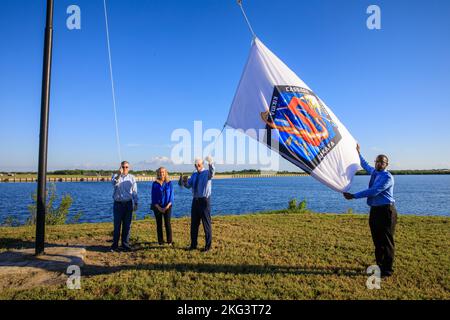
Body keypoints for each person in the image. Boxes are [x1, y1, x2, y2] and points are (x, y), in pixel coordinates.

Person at [343, 144, 397, 277]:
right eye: (377, 161)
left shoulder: (387, 177)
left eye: (382, 162)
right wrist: (358, 152)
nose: (379, 163)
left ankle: (387, 270)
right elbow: (365, 164)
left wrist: (354, 196)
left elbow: (373, 191)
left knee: (386, 241)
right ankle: (379, 265)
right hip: (375, 211)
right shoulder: (374, 172)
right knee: (377, 240)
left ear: (386, 164)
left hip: (386, 211)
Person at [182, 156, 215, 252]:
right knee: (194, 225)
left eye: (199, 165)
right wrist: (184, 182)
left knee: (206, 224)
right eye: (196, 165)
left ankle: (208, 247)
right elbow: (189, 185)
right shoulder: (194, 174)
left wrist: (211, 162)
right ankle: (193, 245)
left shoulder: (207, 173)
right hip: (195, 201)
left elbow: (212, 172)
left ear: (202, 164)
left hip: (204, 201)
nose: (197, 167)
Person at [111, 160, 138, 252]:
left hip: (128, 204)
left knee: (127, 225)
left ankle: (125, 245)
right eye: (123, 167)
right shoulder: (115, 176)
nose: (125, 168)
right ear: (120, 167)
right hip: (118, 205)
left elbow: (134, 192)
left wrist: (136, 203)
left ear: (129, 168)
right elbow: (114, 184)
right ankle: (115, 245)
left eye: (126, 167)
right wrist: (119, 174)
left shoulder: (132, 178)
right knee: (117, 226)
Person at [151, 167, 174, 245]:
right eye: (160, 172)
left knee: (167, 223)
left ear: (165, 173)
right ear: (158, 173)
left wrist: (166, 207)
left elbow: (171, 197)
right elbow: (153, 197)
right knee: (159, 224)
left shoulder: (169, 183)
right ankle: (160, 241)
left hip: (168, 206)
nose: (162, 173)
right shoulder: (155, 184)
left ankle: (169, 242)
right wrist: (159, 208)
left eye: (163, 172)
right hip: (157, 207)